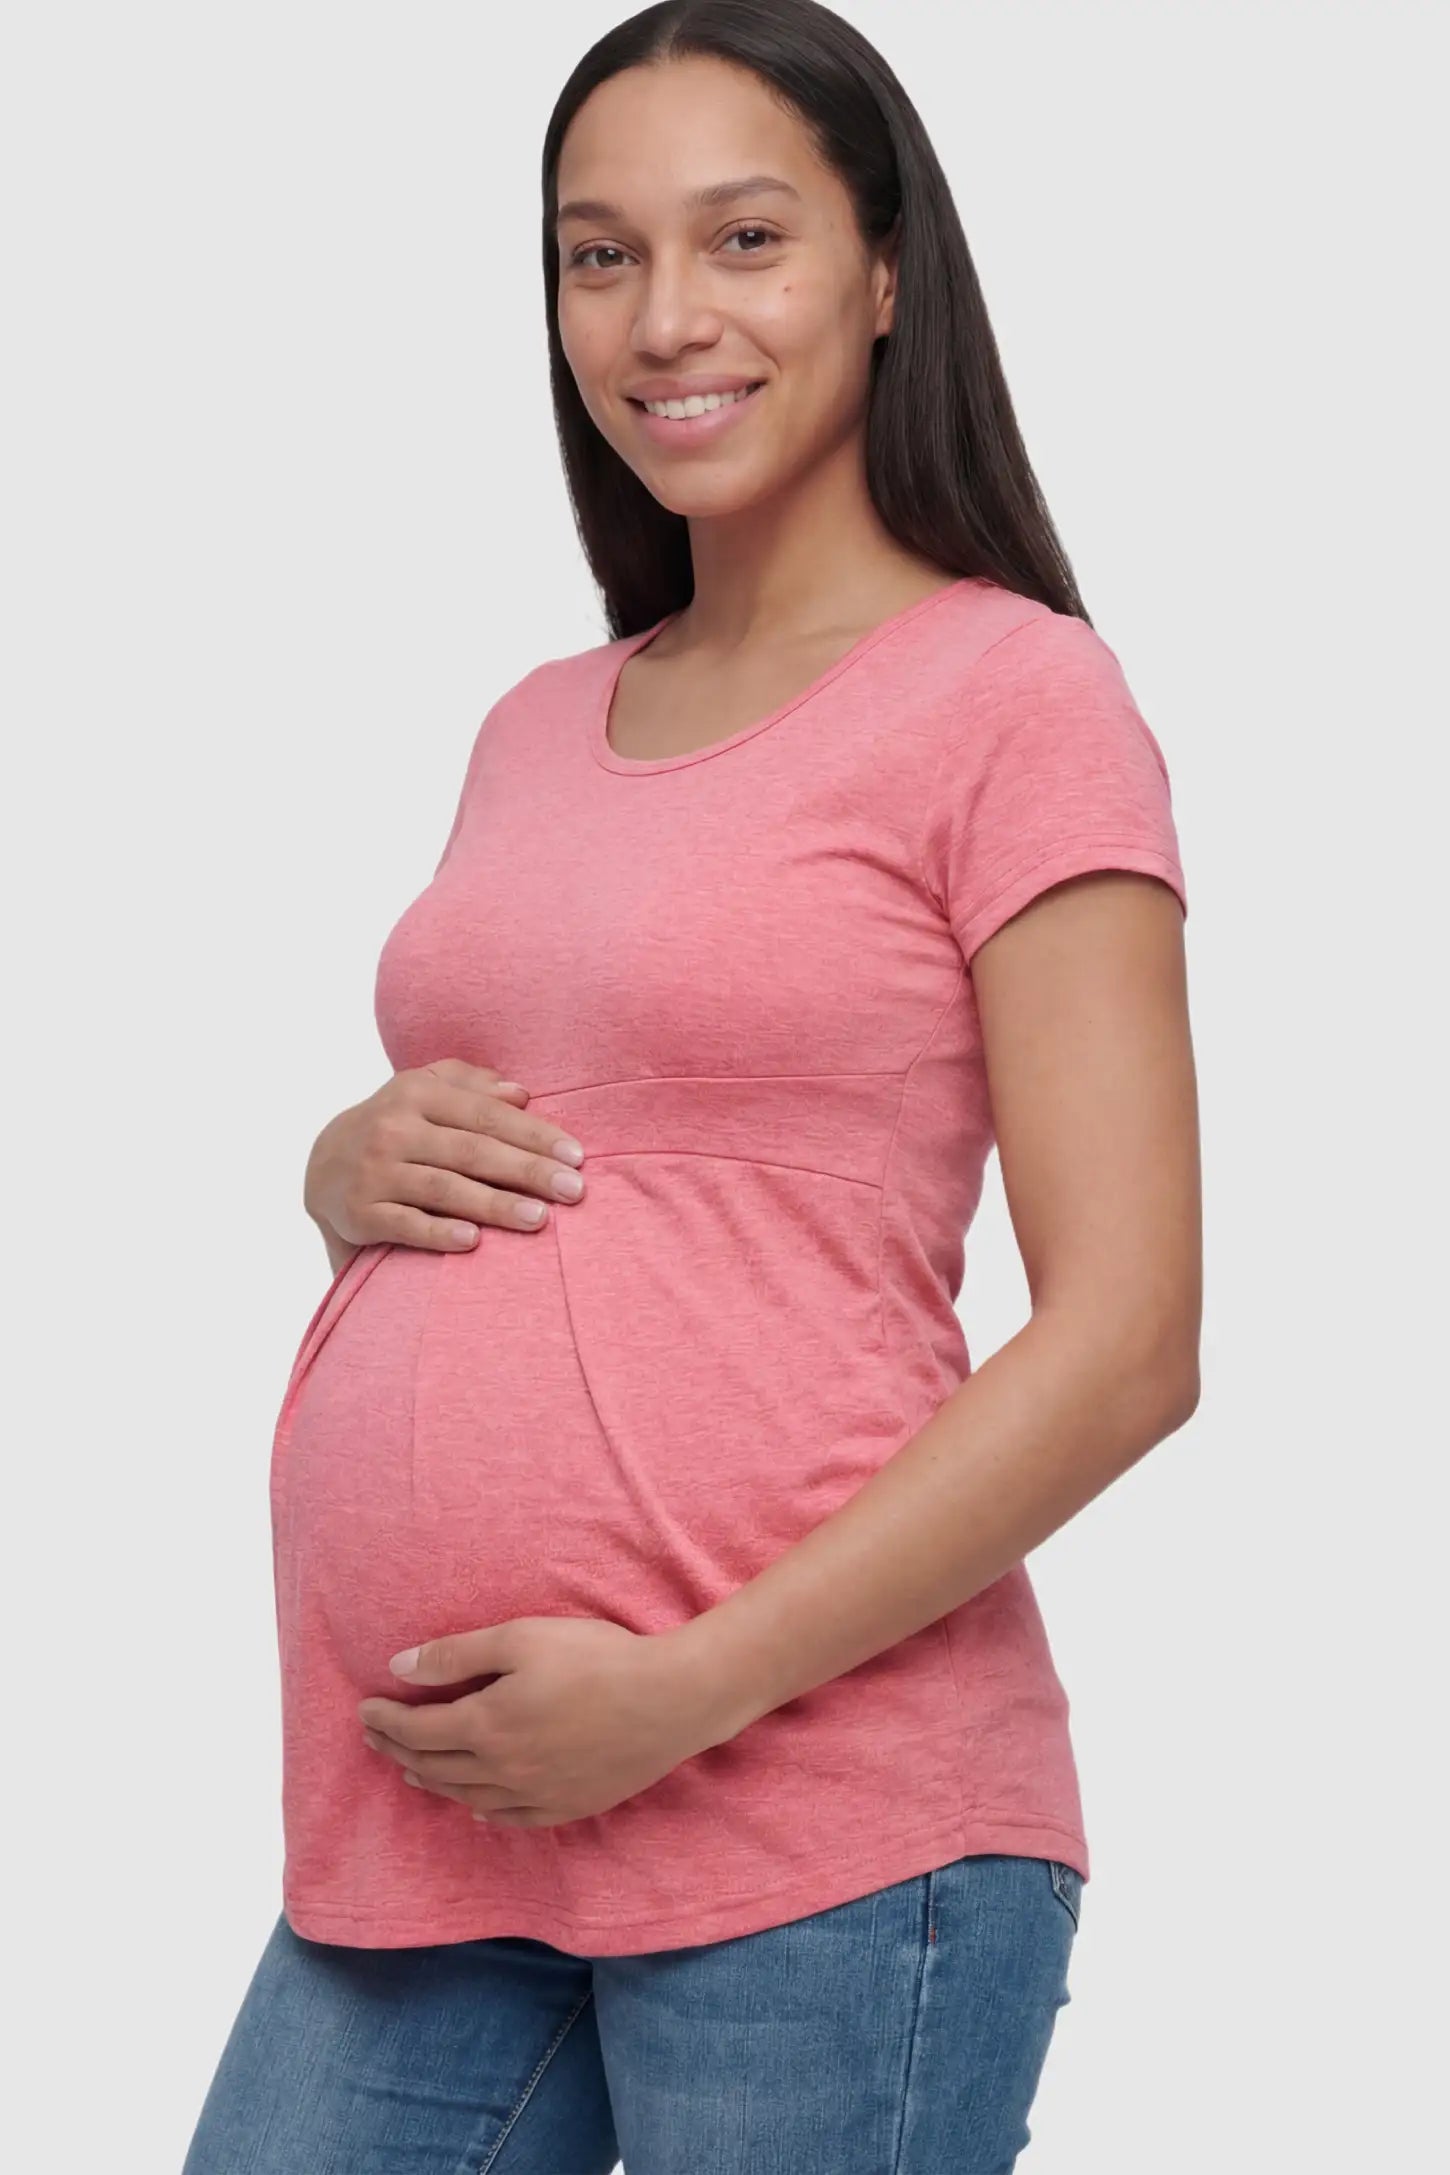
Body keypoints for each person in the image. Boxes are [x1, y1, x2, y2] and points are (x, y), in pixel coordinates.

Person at [182, 2, 1200, 2168]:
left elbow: (1126, 1340)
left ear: (884, 266)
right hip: (424, 1817)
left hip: (818, 1829)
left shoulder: (1017, 697)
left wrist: (683, 1686)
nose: (664, 320)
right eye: (595, 254)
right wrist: (341, 1161)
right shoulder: (542, 715)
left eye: (742, 238)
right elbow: (604, 1125)